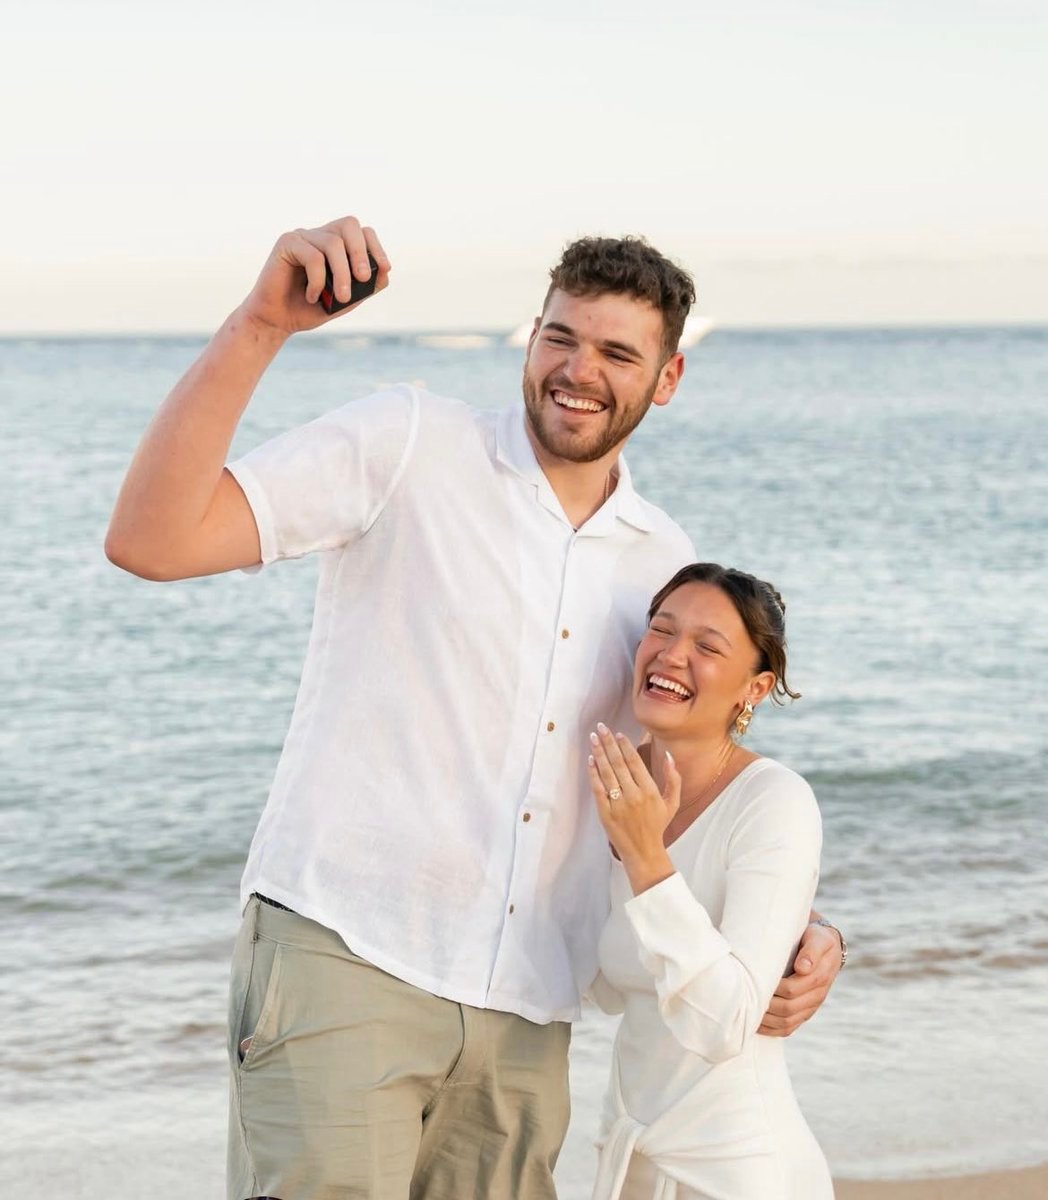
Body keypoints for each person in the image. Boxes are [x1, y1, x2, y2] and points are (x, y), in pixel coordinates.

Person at [105, 216, 844, 1200]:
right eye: (560, 338)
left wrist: (793, 924)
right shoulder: (410, 442)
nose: (578, 371)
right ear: (530, 335)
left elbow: (688, 789)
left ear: (665, 379)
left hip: (527, 1015)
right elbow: (151, 540)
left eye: (618, 353)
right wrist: (260, 325)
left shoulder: (663, 564)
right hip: (348, 955)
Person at [586, 563, 833, 1199]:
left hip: (736, 1171)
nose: (671, 655)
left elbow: (725, 1023)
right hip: (627, 1159)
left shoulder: (774, 801)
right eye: (660, 630)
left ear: (755, 688)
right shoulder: (605, 783)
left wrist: (647, 859)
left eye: (707, 646)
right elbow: (592, 988)